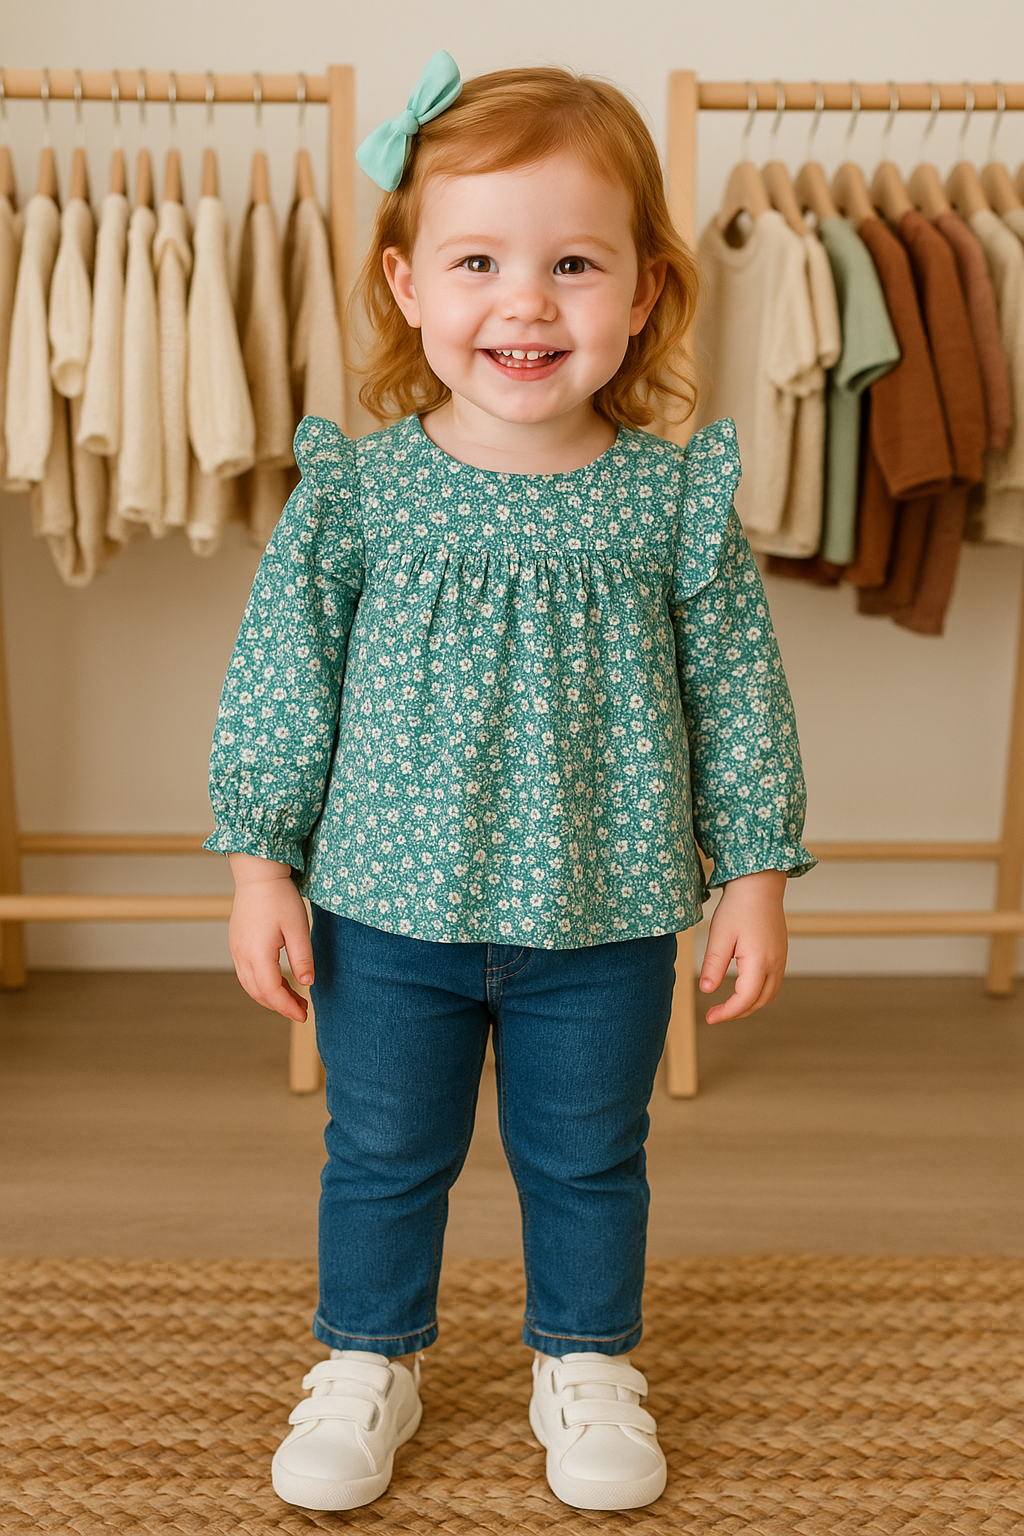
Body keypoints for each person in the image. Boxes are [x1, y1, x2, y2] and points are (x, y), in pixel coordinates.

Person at [204, 49, 816, 1516]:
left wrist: (755, 876)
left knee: (590, 1157)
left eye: (574, 264)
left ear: (647, 291)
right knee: (383, 1155)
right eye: (480, 260)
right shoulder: (358, 493)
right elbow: (280, 685)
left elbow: (738, 696)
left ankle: (588, 1357)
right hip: (386, 916)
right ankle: (369, 1356)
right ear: (410, 287)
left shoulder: (670, 503)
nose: (527, 302)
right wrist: (257, 866)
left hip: (600, 920)